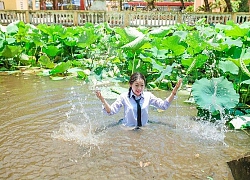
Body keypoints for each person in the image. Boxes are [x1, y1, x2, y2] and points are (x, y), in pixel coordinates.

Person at [95, 72, 182, 129]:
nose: (139, 88)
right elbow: (111, 111)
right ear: (130, 84)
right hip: (127, 129)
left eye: (142, 85)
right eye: (136, 85)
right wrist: (102, 99)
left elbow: (164, 105)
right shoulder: (124, 97)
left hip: (144, 128)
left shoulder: (148, 96)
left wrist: (174, 92)